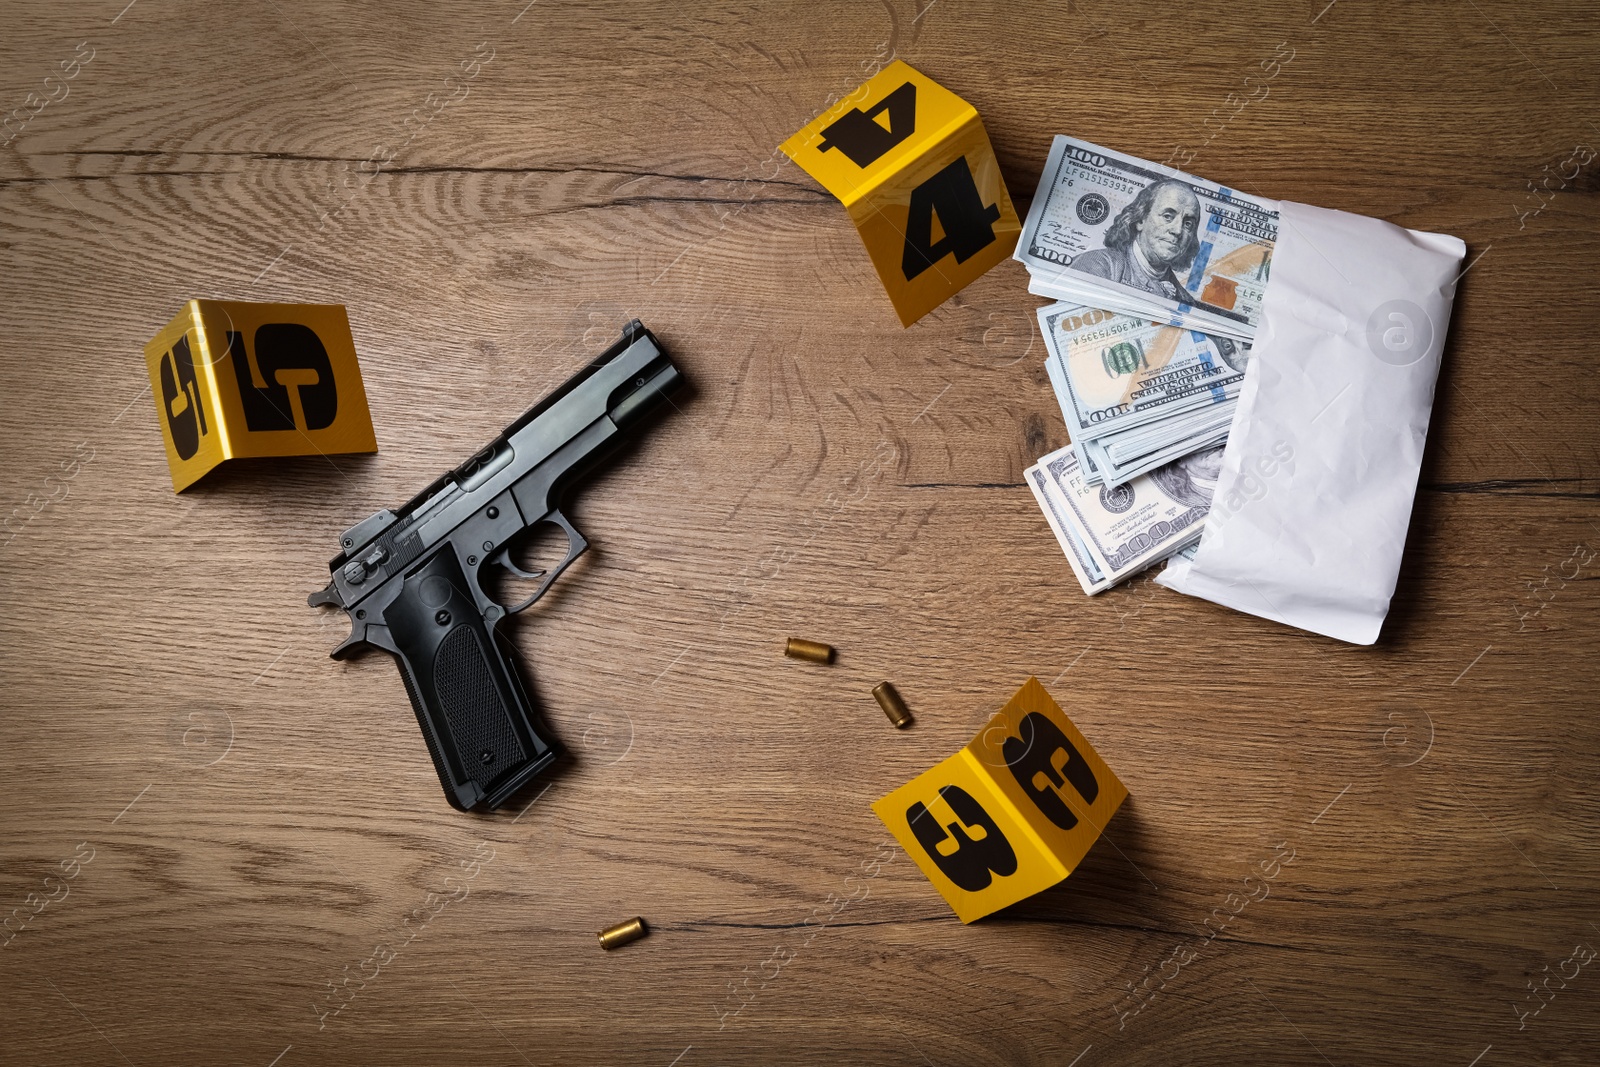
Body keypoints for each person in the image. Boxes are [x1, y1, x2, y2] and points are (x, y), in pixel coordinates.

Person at [1071, 180, 1204, 303]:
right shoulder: (1096, 266)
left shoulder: (1186, 301)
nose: (1178, 230)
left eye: (1188, 224)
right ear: (1140, 220)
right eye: (1167, 216)